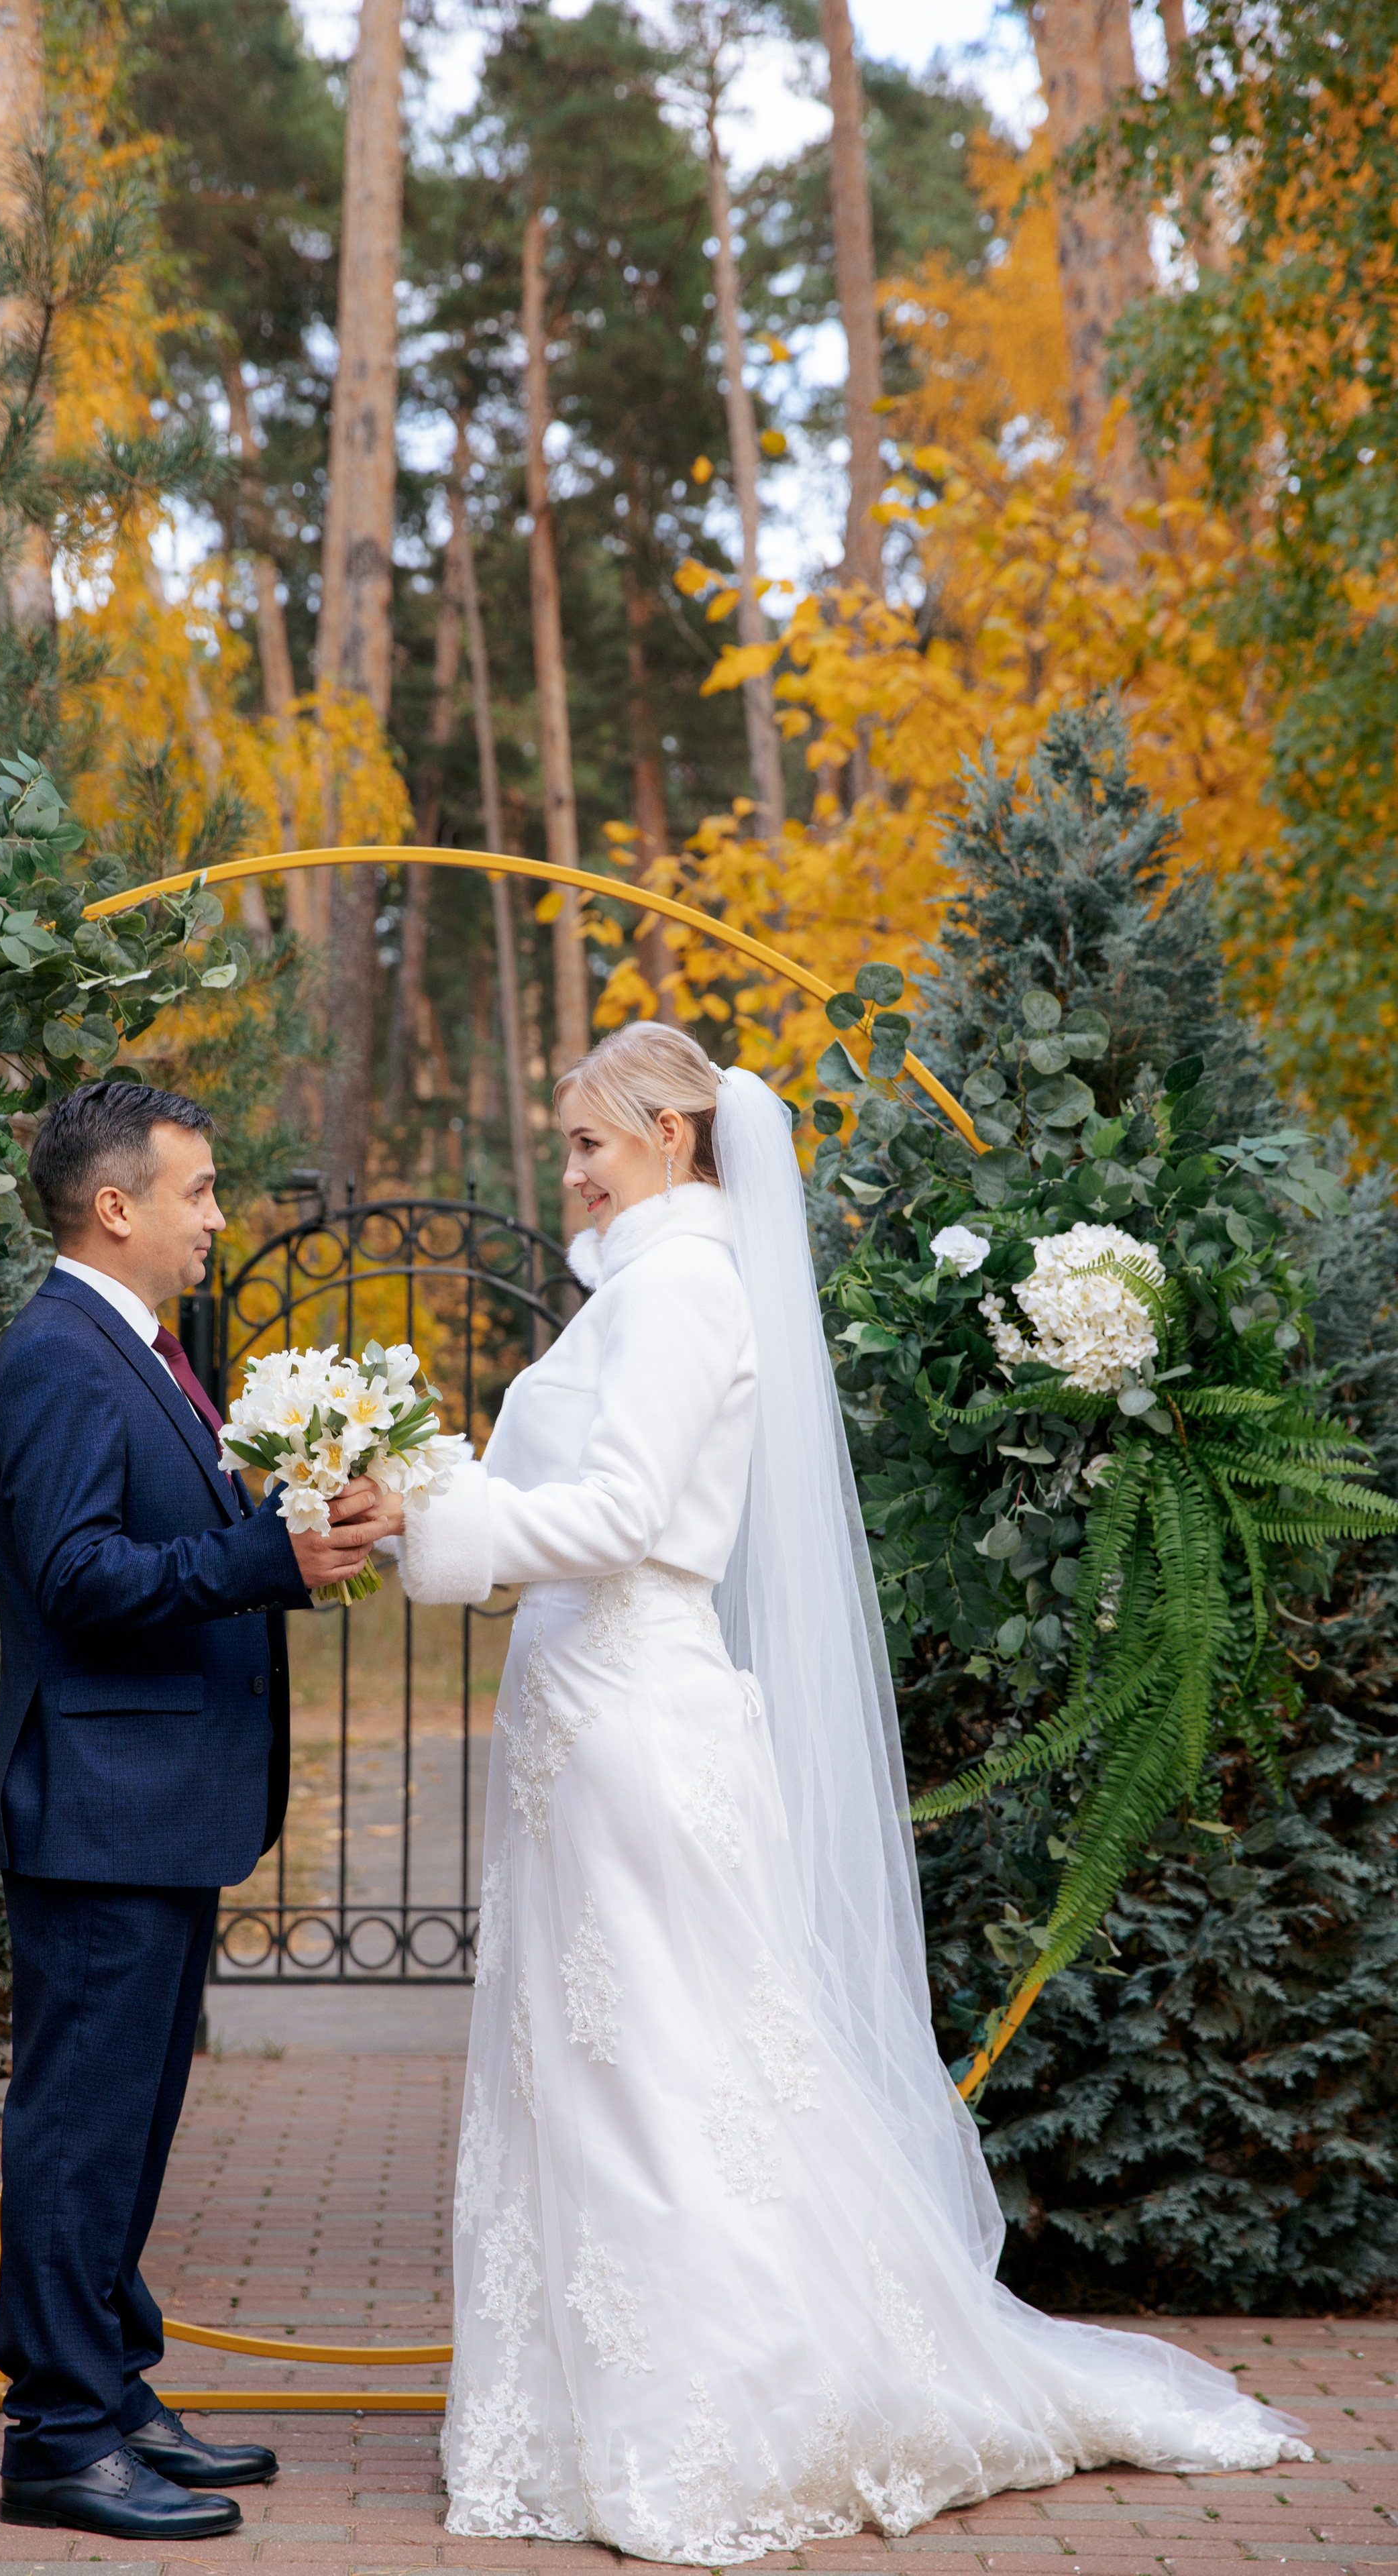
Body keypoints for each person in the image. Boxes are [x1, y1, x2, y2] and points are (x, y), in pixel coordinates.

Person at [376, 1024, 1309, 2566]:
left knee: (661, 2071)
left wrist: (438, 1507)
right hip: (584, 1717)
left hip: (630, 1714)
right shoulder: (644, 1285)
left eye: (589, 1144)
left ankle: (721, 2414)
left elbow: (617, 1515)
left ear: (673, 1135)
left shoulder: (678, 1289)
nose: (571, 1172)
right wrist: (438, 1518)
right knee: (603, 2064)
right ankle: (590, 2405)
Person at [0, 1080, 386, 2544]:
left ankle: (115, 2386)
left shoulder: (138, 1350)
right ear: (117, 1207)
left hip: (151, 1803)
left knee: (129, 2124)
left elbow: (160, 1542)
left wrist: (287, 1531)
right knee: (81, 2129)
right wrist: (267, 1558)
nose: (219, 1218)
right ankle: (59, 2440)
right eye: (200, 1190)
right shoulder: (60, 1359)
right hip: (97, 1802)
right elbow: (81, 1579)